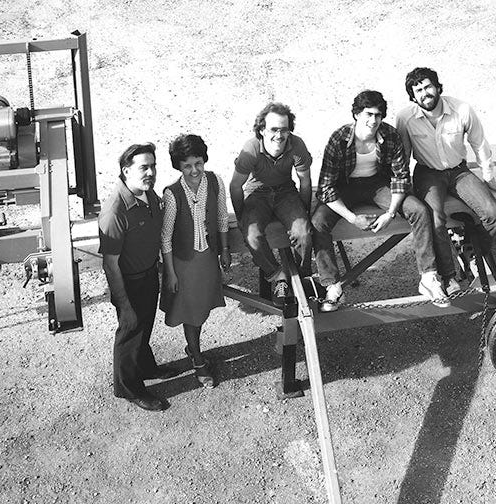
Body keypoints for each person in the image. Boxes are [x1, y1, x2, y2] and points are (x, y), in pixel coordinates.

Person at [312, 89, 449, 312]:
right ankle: (332, 286)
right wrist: (352, 218)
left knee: (419, 210)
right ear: (356, 114)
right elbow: (326, 187)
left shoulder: (390, 135)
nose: (373, 120)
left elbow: (400, 177)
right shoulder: (339, 138)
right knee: (318, 222)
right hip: (344, 187)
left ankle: (429, 276)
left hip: (377, 184)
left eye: (378, 115)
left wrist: (391, 213)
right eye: (368, 114)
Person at [396, 67, 496, 295]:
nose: (424, 93)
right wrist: (402, 190)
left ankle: (473, 254)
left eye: (428, 87)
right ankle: (449, 276)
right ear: (412, 96)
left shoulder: (461, 109)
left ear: (438, 87)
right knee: (436, 220)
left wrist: (488, 176)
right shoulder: (405, 118)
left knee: (492, 213)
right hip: (427, 173)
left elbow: (479, 142)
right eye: (418, 90)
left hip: (459, 171)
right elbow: (403, 156)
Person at [98, 143, 178, 412]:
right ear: (126, 170)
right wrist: (124, 303)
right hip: (129, 282)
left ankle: (147, 367)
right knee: (130, 330)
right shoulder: (115, 210)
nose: (151, 172)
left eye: (153, 166)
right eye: (143, 167)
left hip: (148, 275)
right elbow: (110, 264)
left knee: (144, 327)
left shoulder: (147, 193)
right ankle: (128, 388)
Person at [161, 134, 231, 389]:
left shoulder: (214, 182)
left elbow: (222, 217)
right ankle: (197, 357)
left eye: (198, 163)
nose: (194, 170)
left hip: (208, 258)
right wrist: (170, 273)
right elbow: (166, 237)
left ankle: (194, 350)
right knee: (192, 312)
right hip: (183, 263)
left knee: (202, 309)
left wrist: (224, 249)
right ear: (179, 166)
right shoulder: (172, 194)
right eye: (187, 165)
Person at [230, 102, 313, 301]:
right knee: (252, 235)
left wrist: (304, 212)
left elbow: (305, 181)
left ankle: (302, 277)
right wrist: (243, 218)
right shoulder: (251, 149)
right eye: (273, 129)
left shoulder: (297, 145)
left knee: (303, 232)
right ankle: (277, 276)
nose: (279, 135)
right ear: (261, 129)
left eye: (284, 130)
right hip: (257, 193)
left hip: (286, 192)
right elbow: (235, 186)